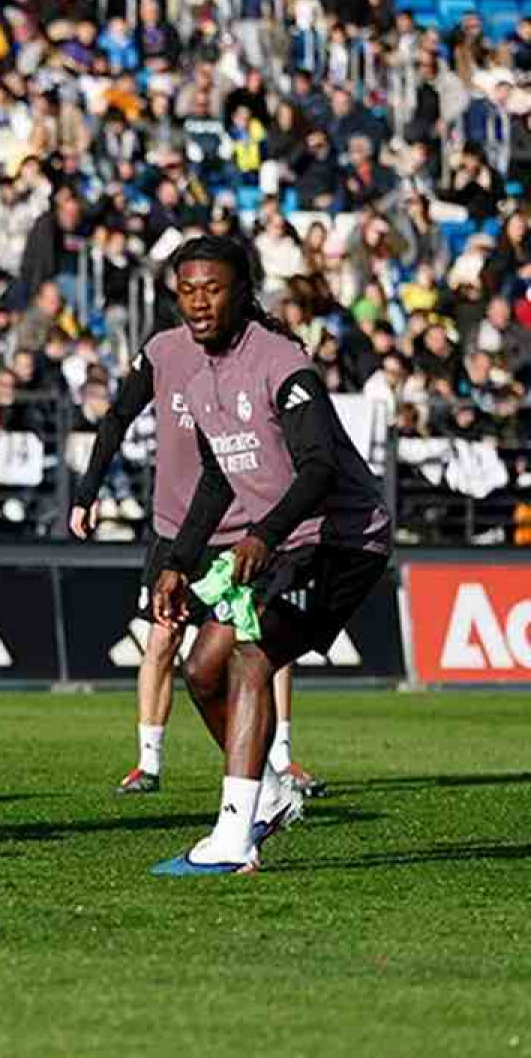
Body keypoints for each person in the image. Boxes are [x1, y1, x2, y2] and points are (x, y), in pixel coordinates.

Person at [150, 236, 390, 875]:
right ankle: (273, 793)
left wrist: (263, 534)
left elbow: (318, 468)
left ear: (242, 292)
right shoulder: (198, 378)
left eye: (213, 289)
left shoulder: (282, 363)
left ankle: (234, 835)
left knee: (253, 657)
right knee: (202, 670)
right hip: (285, 541)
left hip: (342, 540)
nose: (199, 302)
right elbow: (216, 478)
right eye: (187, 291)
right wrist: (177, 560)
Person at [71, 319, 327, 798]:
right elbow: (118, 417)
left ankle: (280, 759)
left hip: (245, 528)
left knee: (266, 642)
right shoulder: (162, 351)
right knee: (162, 638)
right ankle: (148, 762)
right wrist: (87, 492)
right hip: (176, 529)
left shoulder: (253, 354)